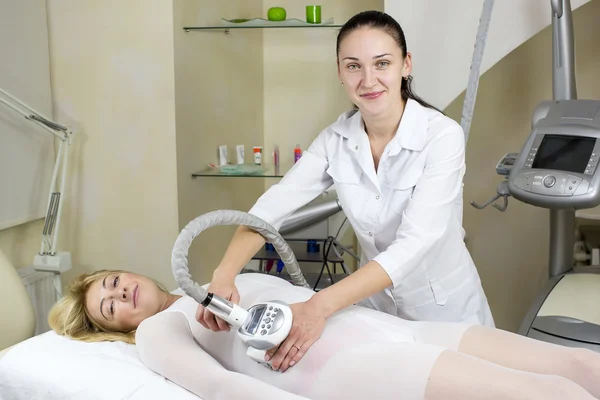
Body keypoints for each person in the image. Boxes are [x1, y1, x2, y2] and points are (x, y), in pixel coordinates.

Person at [198, 10, 494, 372]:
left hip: (446, 311)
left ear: (406, 65)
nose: (369, 80)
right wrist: (223, 277)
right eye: (354, 66)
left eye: (382, 63)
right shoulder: (335, 141)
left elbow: (415, 243)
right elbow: (271, 208)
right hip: (378, 309)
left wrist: (319, 306)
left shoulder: (441, 136)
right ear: (340, 72)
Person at [49, 268, 600, 400]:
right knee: (550, 396)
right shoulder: (157, 332)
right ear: (112, 328)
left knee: (579, 367)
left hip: (396, 330)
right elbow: (220, 387)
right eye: (109, 306)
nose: (121, 295)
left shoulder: (220, 278)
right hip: (356, 369)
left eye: (115, 282)